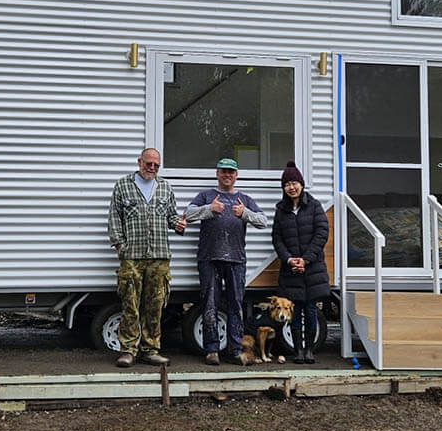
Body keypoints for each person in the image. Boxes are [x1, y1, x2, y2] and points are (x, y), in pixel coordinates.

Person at [183, 158, 266, 365]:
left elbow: (263, 221)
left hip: (236, 260)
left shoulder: (244, 199)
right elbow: (189, 215)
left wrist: (244, 214)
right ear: (217, 173)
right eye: (223, 171)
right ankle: (212, 350)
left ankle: (235, 349)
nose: (227, 175)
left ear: (236, 175)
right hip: (209, 259)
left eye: (231, 172)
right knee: (210, 305)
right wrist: (209, 209)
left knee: (235, 305)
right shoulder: (206, 196)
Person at [107, 147, 181, 367]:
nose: (152, 168)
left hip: (159, 256)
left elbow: (171, 216)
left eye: (156, 165)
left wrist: (179, 223)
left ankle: (150, 349)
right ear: (139, 162)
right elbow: (113, 218)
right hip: (132, 257)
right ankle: (128, 350)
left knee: (155, 305)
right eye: (148, 163)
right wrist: (121, 246)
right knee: (130, 304)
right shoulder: (123, 185)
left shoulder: (165, 187)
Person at [271, 161, 331, 363]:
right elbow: (277, 238)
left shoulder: (314, 206)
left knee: (311, 310)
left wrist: (305, 259)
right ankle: (297, 351)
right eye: (287, 184)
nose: (292, 187)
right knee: (294, 312)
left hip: (312, 268)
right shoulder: (281, 209)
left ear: (302, 184)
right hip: (290, 270)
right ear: (284, 188)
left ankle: (309, 351)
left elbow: (322, 233)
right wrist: (289, 259)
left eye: (295, 182)